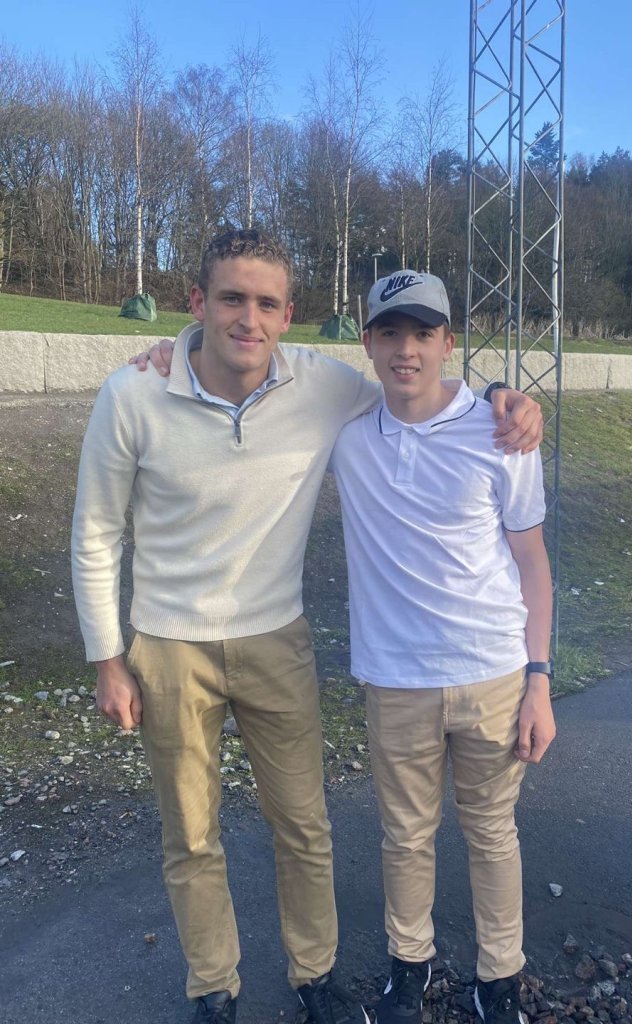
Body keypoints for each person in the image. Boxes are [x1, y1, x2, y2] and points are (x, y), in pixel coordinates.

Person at [71, 229, 543, 1024]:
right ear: (197, 303)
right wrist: (107, 658)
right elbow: (94, 533)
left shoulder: (322, 386)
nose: (248, 319)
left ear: (289, 315)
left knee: (304, 826)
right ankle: (214, 989)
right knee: (192, 834)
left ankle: (314, 976)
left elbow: (420, 385)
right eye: (231, 299)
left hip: (277, 639)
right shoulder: (133, 393)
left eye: (266, 303)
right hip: (169, 645)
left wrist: (504, 392)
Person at [327, 271, 556, 1024]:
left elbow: (533, 564)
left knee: (492, 833)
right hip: (395, 681)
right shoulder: (347, 432)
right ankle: (410, 967)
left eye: (423, 333)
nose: (407, 351)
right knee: (404, 836)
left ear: (448, 342)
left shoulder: (502, 432)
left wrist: (539, 682)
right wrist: (179, 345)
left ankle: (499, 979)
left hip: (493, 674)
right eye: (390, 333)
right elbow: (257, 365)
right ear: (367, 342)